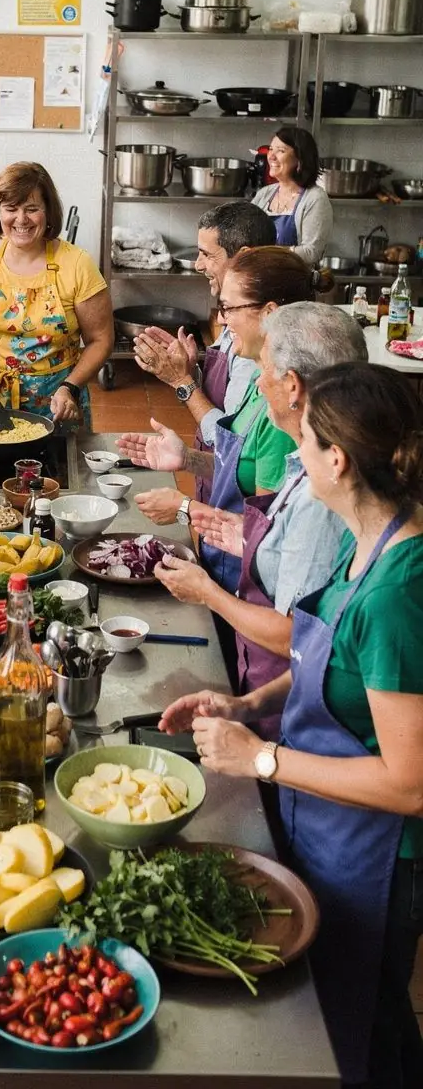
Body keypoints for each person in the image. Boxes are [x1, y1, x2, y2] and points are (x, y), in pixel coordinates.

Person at [160, 362, 423, 1089]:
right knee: (343, 1011)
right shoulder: (364, 535)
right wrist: (247, 707)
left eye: (303, 440)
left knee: (366, 1022)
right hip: (330, 822)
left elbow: (409, 784)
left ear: (337, 460)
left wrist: (262, 759)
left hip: (379, 851)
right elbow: (320, 655)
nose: (293, 455)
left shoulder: (401, 593)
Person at [153, 303, 367, 737]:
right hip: (269, 691)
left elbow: (299, 639)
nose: (258, 380)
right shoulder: (306, 459)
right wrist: (248, 539)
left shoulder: (322, 491)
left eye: (264, 369)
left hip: (293, 711)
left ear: (292, 385)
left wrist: (207, 592)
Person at [118, 248, 312, 592]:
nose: (220, 321)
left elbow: (267, 532)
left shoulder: (285, 406)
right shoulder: (261, 384)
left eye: (229, 309)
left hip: (252, 582)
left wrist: (184, 509)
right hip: (224, 563)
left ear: (269, 313)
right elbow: (245, 470)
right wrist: (188, 460)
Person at [0, 162, 113, 425]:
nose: (21, 219)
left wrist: (70, 387)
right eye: (11, 209)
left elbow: (101, 339)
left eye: (32, 209)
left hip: (55, 405)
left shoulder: (77, 264)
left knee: (52, 467)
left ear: (48, 212)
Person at [133, 201, 276, 458]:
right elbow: (223, 396)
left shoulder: (255, 333)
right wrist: (190, 371)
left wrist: (181, 382)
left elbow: (231, 443)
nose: (198, 265)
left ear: (243, 257)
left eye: (207, 255)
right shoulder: (239, 311)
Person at [251, 127, 333, 265]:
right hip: (262, 281)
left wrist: (267, 254)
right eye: (271, 149)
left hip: (295, 282)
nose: (271, 156)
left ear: (300, 159)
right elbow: (245, 232)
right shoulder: (265, 194)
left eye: (281, 151)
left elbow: (311, 252)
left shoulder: (315, 198)